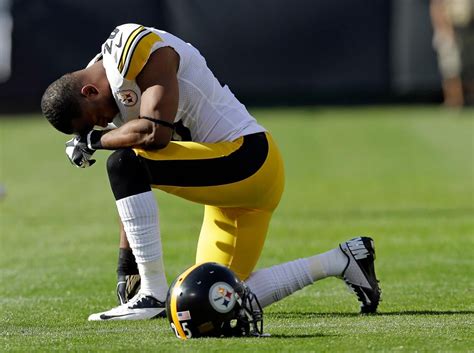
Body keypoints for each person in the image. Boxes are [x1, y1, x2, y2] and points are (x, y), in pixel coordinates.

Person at [41, 23, 381, 322]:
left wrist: (95, 140)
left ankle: (153, 292)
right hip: (233, 186)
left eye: (95, 118)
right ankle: (342, 260)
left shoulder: (135, 49)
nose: (102, 123)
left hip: (247, 159)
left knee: (123, 161)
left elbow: (154, 136)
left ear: (89, 91)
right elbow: (132, 192)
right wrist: (125, 267)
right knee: (205, 300)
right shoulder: (109, 93)